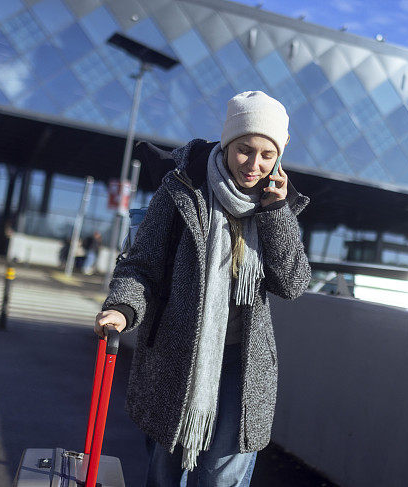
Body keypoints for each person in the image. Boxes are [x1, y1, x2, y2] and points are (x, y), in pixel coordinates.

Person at [94, 91, 310, 486]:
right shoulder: (181, 188)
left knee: (219, 479)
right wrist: (122, 307)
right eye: (245, 150)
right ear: (227, 142)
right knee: (165, 472)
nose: (255, 165)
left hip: (244, 366)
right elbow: (142, 263)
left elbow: (292, 283)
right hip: (177, 355)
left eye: (267, 154)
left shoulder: (275, 202)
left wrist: (276, 215)